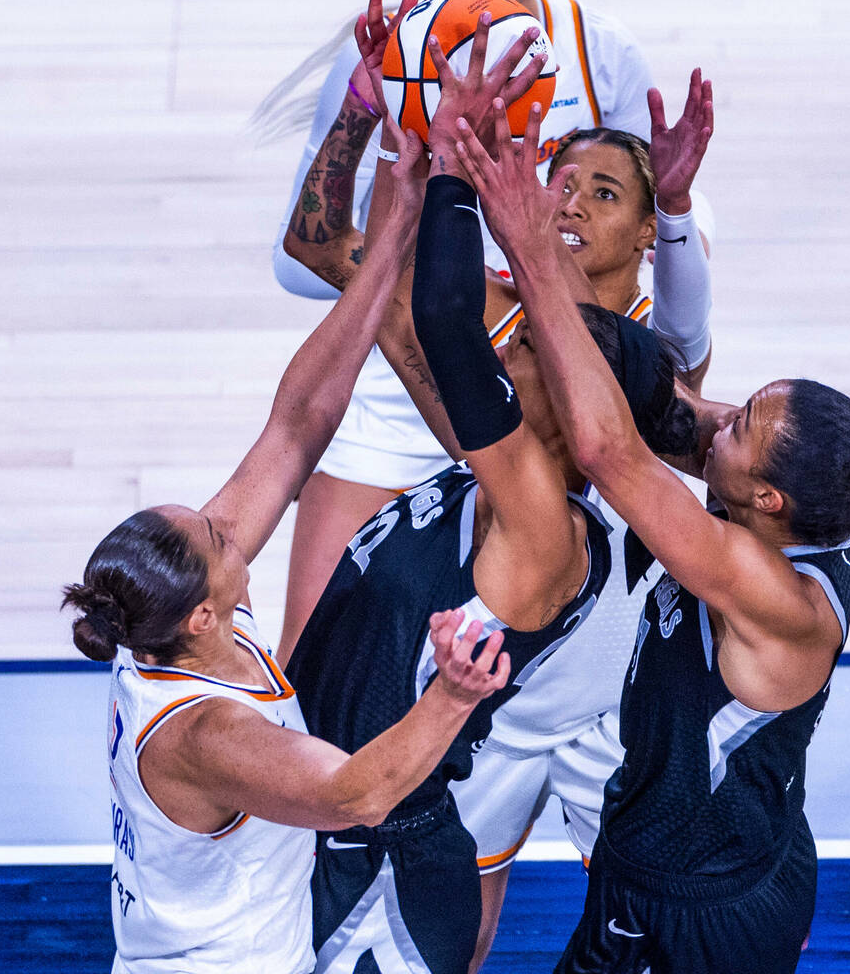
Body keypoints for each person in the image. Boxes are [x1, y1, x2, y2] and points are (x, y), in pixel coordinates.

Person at [281, 0, 717, 964]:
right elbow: (317, 247)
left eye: (602, 193)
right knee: (452, 892)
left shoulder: (646, 356)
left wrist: (678, 207)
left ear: (643, 236)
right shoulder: (495, 308)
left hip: (608, 665)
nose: (568, 201)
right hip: (503, 650)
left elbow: (689, 346)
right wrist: (366, 104)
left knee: (660, 911)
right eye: (560, 180)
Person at [456, 101, 850, 973]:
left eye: (741, 425)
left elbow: (611, 452)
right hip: (688, 860)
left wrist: (528, 247)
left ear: (764, 498)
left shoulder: (777, 597)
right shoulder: (807, 499)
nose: (718, 419)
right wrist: (651, 217)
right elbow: (639, 387)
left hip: (700, 907)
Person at [59, 160, 512, 974]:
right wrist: (454, 694)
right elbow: (357, 795)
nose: (233, 523)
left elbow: (299, 424)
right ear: (205, 615)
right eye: (220, 539)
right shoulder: (208, 733)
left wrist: (393, 230)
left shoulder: (160, 616)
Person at [263, 0, 665, 667]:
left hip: (533, 406)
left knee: (509, 688)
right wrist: (368, 118)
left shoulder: (602, 51)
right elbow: (297, 258)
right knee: (313, 676)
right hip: (393, 401)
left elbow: (640, 230)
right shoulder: (380, 52)